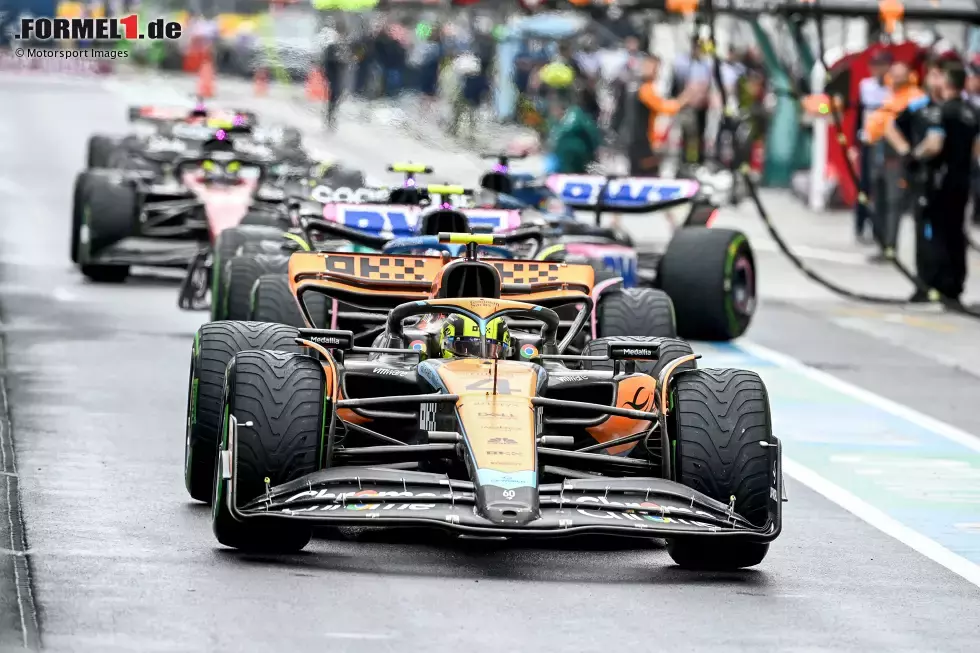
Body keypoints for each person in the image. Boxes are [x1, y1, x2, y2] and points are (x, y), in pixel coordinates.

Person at [886, 59, 979, 307]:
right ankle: (948, 287)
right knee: (953, 232)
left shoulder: (942, 111)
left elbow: (934, 143)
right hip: (960, 182)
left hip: (935, 180)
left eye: (938, 75)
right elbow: (890, 127)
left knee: (932, 231)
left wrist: (915, 156)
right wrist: (905, 151)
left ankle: (932, 284)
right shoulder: (925, 106)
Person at [861, 60, 925, 262]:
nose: (895, 79)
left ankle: (890, 246)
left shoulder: (916, 99)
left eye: (900, 75)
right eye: (893, 74)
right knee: (878, 201)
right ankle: (881, 244)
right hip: (878, 154)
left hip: (896, 158)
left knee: (893, 203)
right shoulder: (888, 97)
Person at [628, 55, 702, 176]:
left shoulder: (643, 88)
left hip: (642, 143)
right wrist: (686, 96)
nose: (656, 72)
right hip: (641, 145)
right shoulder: (645, 90)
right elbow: (665, 108)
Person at [855, 51, 892, 244]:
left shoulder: (892, 88)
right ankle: (860, 225)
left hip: (886, 143)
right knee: (865, 184)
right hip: (868, 141)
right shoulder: (865, 86)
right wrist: (856, 141)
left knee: (883, 187)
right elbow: (858, 113)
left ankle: (880, 230)